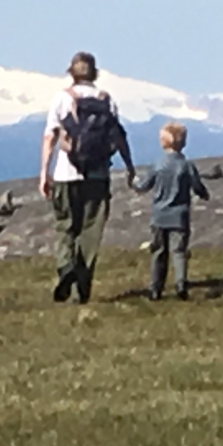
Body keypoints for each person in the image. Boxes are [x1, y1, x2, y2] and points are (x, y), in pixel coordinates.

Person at [38, 52, 135, 303]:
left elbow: (50, 137)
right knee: (91, 232)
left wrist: (44, 173)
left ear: (71, 72)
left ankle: (66, 266)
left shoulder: (62, 98)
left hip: (65, 173)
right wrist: (129, 166)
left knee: (65, 226)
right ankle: (82, 288)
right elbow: (117, 136)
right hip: (98, 174)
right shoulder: (106, 100)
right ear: (94, 73)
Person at [131, 121, 209, 300]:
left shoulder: (158, 164)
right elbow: (198, 186)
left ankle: (155, 288)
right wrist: (204, 194)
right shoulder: (187, 165)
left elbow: (143, 185)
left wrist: (134, 183)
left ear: (166, 141)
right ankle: (181, 283)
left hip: (159, 215)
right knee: (179, 251)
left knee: (158, 251)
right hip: (180, 215)